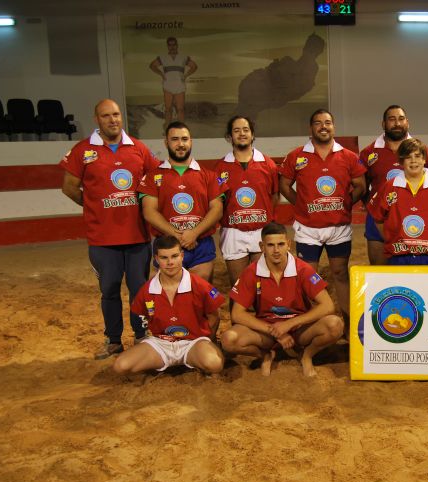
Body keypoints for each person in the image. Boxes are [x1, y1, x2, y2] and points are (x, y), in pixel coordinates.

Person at [60, 99, 160, 360]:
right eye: (106, 116)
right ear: (97, 119)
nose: (112, 120)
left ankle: (141, 335)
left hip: (137, 235)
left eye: (116, 114)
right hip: (102, 238)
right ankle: (114, 340)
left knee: (139, 289)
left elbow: (158, 178)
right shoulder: (83, 150)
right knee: (110, 289)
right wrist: (92, 205)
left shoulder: (138, 148)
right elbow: (69, 186)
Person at [220, 222, 343, 377]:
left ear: (288, 245)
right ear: (262, 247)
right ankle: (265, 355)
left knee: (335, 325)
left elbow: (328, 306)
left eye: (280, 244)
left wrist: (289, 324)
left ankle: (306, 355)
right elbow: (237, 314)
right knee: (228, 340)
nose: (276, 250)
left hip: (300, 329)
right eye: (270, 245)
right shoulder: (251, 272)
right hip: (266, 332)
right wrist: (275, 331)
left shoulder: (303, 269)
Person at [279, 109, 366, 327]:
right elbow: (284, 185)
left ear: (333, 127)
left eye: (327, 122)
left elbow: (360, 186)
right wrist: (301, 203)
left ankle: (349, 326)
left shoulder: (348, 156)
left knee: (340, 273)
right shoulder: (296, 156)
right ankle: (309, 327)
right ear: (311, 128)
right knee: (308, 278)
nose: (323, 126)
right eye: (318, 123)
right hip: (308, 229)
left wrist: (345, 204)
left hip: (339, 228)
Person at [112, 235, 225, 377]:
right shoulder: (146, 290)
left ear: (182, 256)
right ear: (156, 259)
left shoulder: (200, 285)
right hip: (161, 344)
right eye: (164, 258)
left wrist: (207, 340)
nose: (170, 262)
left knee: (214, 363)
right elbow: (144, 316)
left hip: (193, 343)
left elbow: (214, 316)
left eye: (174, 256)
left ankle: (197, 357)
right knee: (121, 366)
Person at [138, 121, 224, 282]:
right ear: (166, 143)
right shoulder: (152, 177)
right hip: (167, 244)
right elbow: (149, 211)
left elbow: (217, 209)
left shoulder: (209, 175)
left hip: (200, 243)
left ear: (191, 141)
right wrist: (177, 235)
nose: (180, 144)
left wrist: (194, 233)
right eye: (175, 139)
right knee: (169, 292)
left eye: (184, 139)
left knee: (200, 290)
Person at [359, 105, 428, 265]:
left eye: (401, 119)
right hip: (378, 218)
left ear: (407, 122)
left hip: (412, 218)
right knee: (379, 271)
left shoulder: (423, 151)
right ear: (383, 124)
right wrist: (372, 204)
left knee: (409, 272)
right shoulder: (368, 153)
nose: (397, 123)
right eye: (392, 119)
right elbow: (361, 185)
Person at [367, 138, 428, 265]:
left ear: (424, 159)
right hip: (398, 256)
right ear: (401, 161)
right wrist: (391, 238)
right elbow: (378, 219)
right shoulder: (389, 187)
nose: (413, 160)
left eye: (417, 156)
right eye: (408, 157)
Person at [214, 115, 279, 287]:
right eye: (236, 130)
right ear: (230, 136)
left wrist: (261, 217)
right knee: (238, 287)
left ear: (252, 134)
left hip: (261, 230)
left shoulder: (268, 164)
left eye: (246, 130)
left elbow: (274, 196)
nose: (242, 134)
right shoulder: (221, 167)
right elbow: (218, 202)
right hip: (233, 232)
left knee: (264, 285)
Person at [149, 37, 197, 129]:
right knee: (168, 109)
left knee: (180, 109)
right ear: (167, 46)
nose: (172, 47)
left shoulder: (183, 57)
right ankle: (168, 128)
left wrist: (186, 75)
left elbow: (194, 66)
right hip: (168, 85)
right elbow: (152, 65)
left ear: (177, 45)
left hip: (180, 85)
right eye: (170, 45)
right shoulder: (163, 57)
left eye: (174, 44)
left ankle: (181, 129)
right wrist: (161, 74)